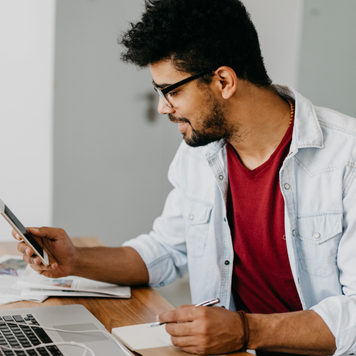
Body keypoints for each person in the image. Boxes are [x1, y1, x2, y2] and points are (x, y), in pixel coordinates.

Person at [13, 0, 356, 354]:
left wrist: (245, 330)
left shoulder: (347, 159)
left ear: (224, 81)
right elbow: (167, 249)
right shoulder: (201, 152)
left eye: (171, 91)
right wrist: (77, 261)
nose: (163, 107)